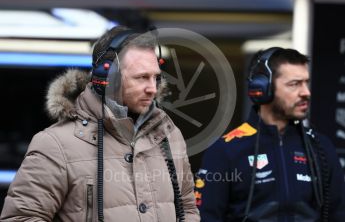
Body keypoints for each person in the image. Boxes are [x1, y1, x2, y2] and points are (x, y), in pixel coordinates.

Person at [1, 26, 200, 221]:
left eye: (156, 77)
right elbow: (20, 217)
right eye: (141, 78)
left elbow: (188, 209)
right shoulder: (55, 144)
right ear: (107, 78)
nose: (152, 88)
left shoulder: (169, 136)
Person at [194, 47, 345, 221]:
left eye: (306, 82)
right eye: (294, 84)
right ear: (262, 88)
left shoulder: (320, 148)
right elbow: (205, 217)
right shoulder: (225, 150)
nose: (306, 92)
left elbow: (339, 214)